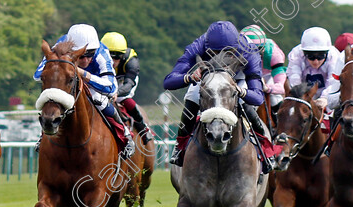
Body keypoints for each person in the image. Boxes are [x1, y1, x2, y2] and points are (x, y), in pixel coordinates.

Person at [163, 20, 272, 169]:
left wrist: (240, 91)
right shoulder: (198, 46)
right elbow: (168, 81)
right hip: (209, 80)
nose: (221, 58)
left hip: (237, 81)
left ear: (235, 48)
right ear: (207, 48)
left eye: (228, 53)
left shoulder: (249, 50)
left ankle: (265, 149)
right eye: (214, 54)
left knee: (244, 104)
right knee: (193, 97)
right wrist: (189, 77)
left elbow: (258, 98)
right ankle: (180, 146)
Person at [34, 24, 135, 158]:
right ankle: (43, 135)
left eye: (90, 54)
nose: (86, 60)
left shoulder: (102, 53)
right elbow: (37, 75)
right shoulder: (59, 47)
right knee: (53, 98)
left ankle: (125, 135)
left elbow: (111, 88)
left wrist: (82, 73)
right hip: (68, 82)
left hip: (94, 85)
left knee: (100, 100)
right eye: (81, 56)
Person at [100, 31, 152, 143]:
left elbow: (128, 84)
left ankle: (143, 127)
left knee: (122, 99)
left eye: (117, 57)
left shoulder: (131, 61)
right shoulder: (97, 57)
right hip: (107, 77)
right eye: (109, 56)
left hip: (124, 81)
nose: (113, 62)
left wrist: (117, 93)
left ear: (123, 55)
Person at [285, 26, 343, 111]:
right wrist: (303, 98)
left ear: (327, 53)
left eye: (320, 56)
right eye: (310, 56)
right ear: (304, 53)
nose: (316, 61)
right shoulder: (296, 55)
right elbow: (295, 81)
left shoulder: (334, 56)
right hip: (303, 97)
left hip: (328, 95)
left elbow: (332, 82)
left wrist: (324, 98)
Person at [240, 24, 287, 117]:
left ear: (264, 48)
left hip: (266, 77)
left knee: (275, 99)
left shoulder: (274, 54)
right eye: (249, 50)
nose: (254, 55)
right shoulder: (235, 52)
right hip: (245, 75)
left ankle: (278, 126)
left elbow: (281, 87)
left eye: (258, 50)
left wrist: (267, 88)